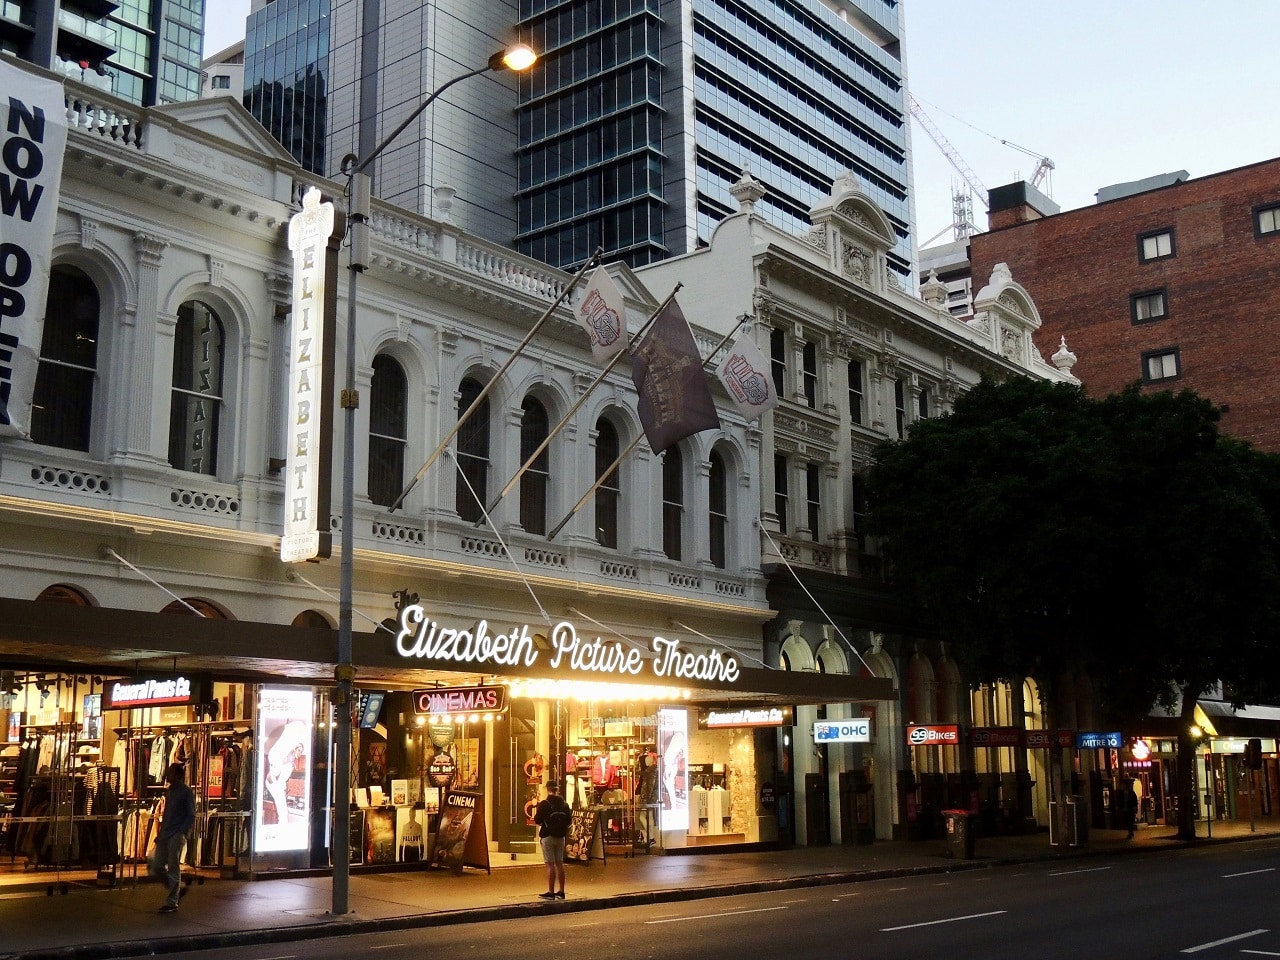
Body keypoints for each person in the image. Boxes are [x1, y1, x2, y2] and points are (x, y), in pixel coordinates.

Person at [150, 762, 196, 912]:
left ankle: (172, 902)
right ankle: (175, 890)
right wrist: (161, 833)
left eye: (170, 772)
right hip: (166, 832)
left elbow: (190, 814)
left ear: (177, 775)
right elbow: (168, 814)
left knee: (173, 866)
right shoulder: (170, 791)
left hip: (176, 833)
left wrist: (181, 831)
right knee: (156, 866)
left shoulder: (186, 792)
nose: (167, 775)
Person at [533, 779, 570, 900]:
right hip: (561, 837)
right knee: (559, 864)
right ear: (557, 789)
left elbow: (537, 820)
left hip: (548, 836)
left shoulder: (545, 803)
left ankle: (551, 892)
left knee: (550, 865)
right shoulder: (564, 804)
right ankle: (562, 891)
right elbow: (569, 821)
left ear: (547, 789)